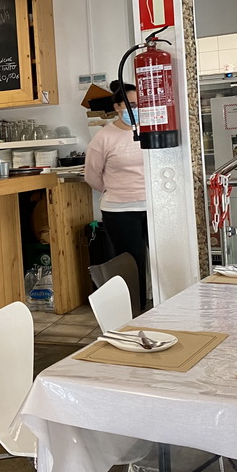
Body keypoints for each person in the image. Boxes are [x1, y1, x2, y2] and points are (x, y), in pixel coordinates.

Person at [83, 81, 150, 310]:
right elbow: (92, 176)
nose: (137, 109)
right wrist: (117, 189)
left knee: (165, 261)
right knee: (131, 266)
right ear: (118, 106)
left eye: (141, 104)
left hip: (154, 208)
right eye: (132, 104)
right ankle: (135, 312)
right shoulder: (104, 137)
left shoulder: (151, 130)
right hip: (120, 211)